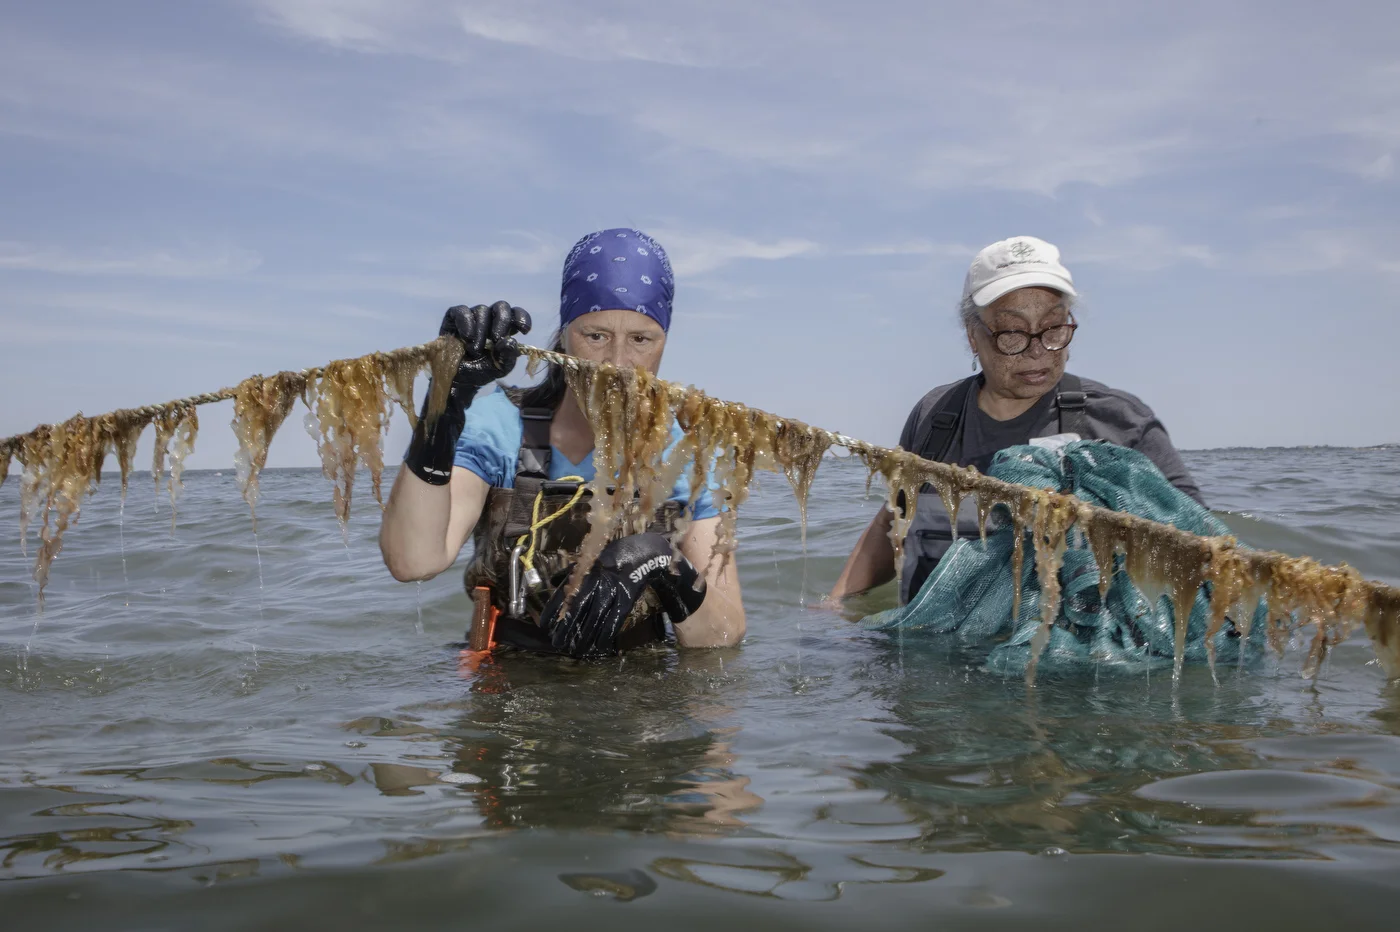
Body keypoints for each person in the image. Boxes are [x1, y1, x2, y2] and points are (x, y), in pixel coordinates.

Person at [379, 228, 745, 658]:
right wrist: (445, 400)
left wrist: (662, 563)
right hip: (512, 683)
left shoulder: (687, 455)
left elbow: (723, 634)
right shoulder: (498, 427)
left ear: (663, 342)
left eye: (641, 339)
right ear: (565, 334)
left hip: (638, 690)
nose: (617, 362)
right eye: (595, 335)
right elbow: (412, 561)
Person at [829, 235, 1203, 607]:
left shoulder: (1120, 423)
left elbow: (1198, 554)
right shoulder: (935, 414)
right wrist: (835, 606)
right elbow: (891, 522)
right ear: (973, 337)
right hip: (926, 648)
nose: (1038, 351)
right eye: (1012, 333)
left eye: (1053, 328)